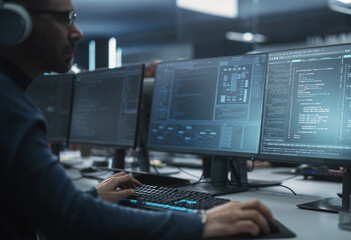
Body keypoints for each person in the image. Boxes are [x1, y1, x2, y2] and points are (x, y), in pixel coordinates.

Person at [0, 0, 274, 239]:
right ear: (15, 22)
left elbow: (48, 208)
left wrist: (91, 198)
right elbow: (70, 221)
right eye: (65, 19)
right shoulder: (10, 106)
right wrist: (200, 223)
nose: (77, 32)